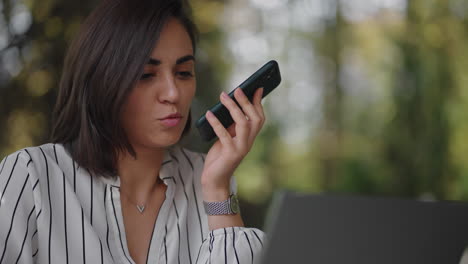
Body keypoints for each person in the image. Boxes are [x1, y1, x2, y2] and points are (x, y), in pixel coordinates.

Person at [0, 0, 266, 263]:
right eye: (146, 75)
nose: (173, 93)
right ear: (102, 80)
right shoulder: (30, 176)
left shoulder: (209, 182)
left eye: (184, 72)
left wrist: (218, 191)